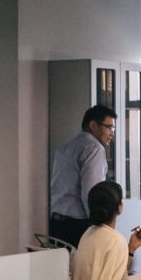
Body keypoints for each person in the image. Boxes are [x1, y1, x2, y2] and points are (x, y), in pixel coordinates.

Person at [49, 105, 117, 247]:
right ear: (93, 125)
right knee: (84, 269)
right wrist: (99, 228)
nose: (112, 134)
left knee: (61, 268)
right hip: (77, 226)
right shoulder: (94, 149)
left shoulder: (65, 147)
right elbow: (92, 194)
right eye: (109, 127)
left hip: (56, 223)